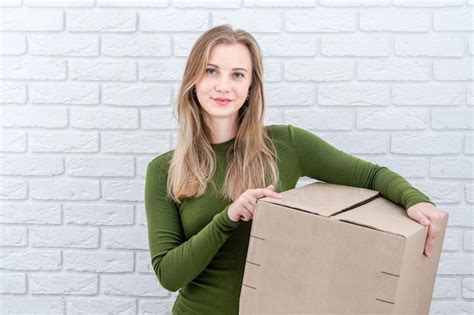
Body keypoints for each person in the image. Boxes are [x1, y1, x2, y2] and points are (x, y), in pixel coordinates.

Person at [144, 24, 446, 315]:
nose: (224, 86)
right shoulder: (163, 170)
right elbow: (169, 276)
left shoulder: (286, 144)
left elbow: (370, 176)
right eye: (211, 71)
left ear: (250, 87)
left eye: (237, 74)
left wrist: (415, 199)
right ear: (193, 79)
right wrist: (227, 217)